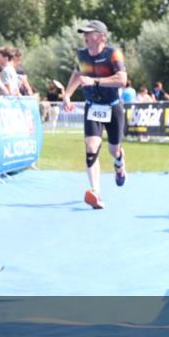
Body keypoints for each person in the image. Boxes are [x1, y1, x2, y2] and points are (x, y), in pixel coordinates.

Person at [61, 20, 128, 210]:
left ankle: (119, 163)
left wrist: (95, 81)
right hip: (93, 107)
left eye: (89, 34)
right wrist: (67, 94)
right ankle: (95, 192)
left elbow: (122, 80)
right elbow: (77, 74)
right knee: (91, 146)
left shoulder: (113, 54)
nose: (85, 37)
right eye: (84, 33)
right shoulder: (82, 55)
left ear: (101, 37)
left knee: (114, 149)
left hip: (113, 107)